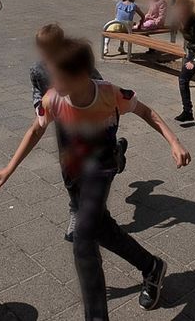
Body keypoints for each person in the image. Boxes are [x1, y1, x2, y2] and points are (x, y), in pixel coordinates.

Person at [0, 38, 190, 318]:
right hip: (74, 174)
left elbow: (146, 112)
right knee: (102, 229)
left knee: (83, 239)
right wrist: (9, 168)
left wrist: (174, 142)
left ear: (79, 75)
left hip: (101, 170)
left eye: (58, 75)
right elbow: (35, 131)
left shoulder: (109, 93)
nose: (52, 80)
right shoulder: (53, 98)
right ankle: (152, 267)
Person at [28, 24, 124, 242]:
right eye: (43, 50)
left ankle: (114, 156)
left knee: (97, 161)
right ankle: (76, 209)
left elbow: (98, 83)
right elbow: (37, 92)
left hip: (91, 119)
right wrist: (39, 108)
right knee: (68, 168)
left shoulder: (73, 63)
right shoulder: (37, 69)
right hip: (63, 121)